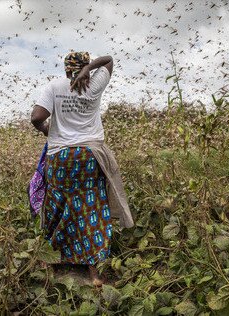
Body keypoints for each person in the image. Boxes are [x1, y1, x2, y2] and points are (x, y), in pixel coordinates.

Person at [31, 51, 134, 286]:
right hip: (89, 155)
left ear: (66, 69)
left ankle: (50, 261)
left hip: (61, 158)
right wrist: (90, 69)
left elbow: (37, 117)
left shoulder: (54, 86)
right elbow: (109, 59)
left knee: (56, 204)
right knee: (91, 207)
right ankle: (94, 274)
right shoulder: (94, 83)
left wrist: (48, 131)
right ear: (84, 67)